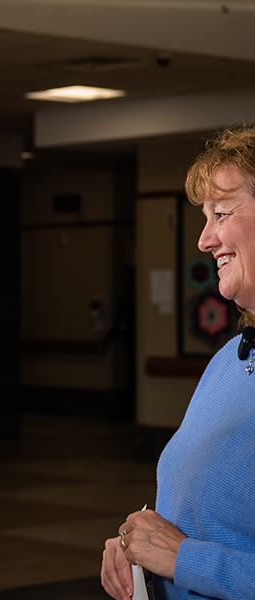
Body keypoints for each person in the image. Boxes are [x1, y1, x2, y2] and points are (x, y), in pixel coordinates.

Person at [101, 125, 255, 600]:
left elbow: (189, 553)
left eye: (221, 214)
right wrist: (138, 549)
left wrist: (183, 559)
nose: (204, 240)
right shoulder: (231, 360)